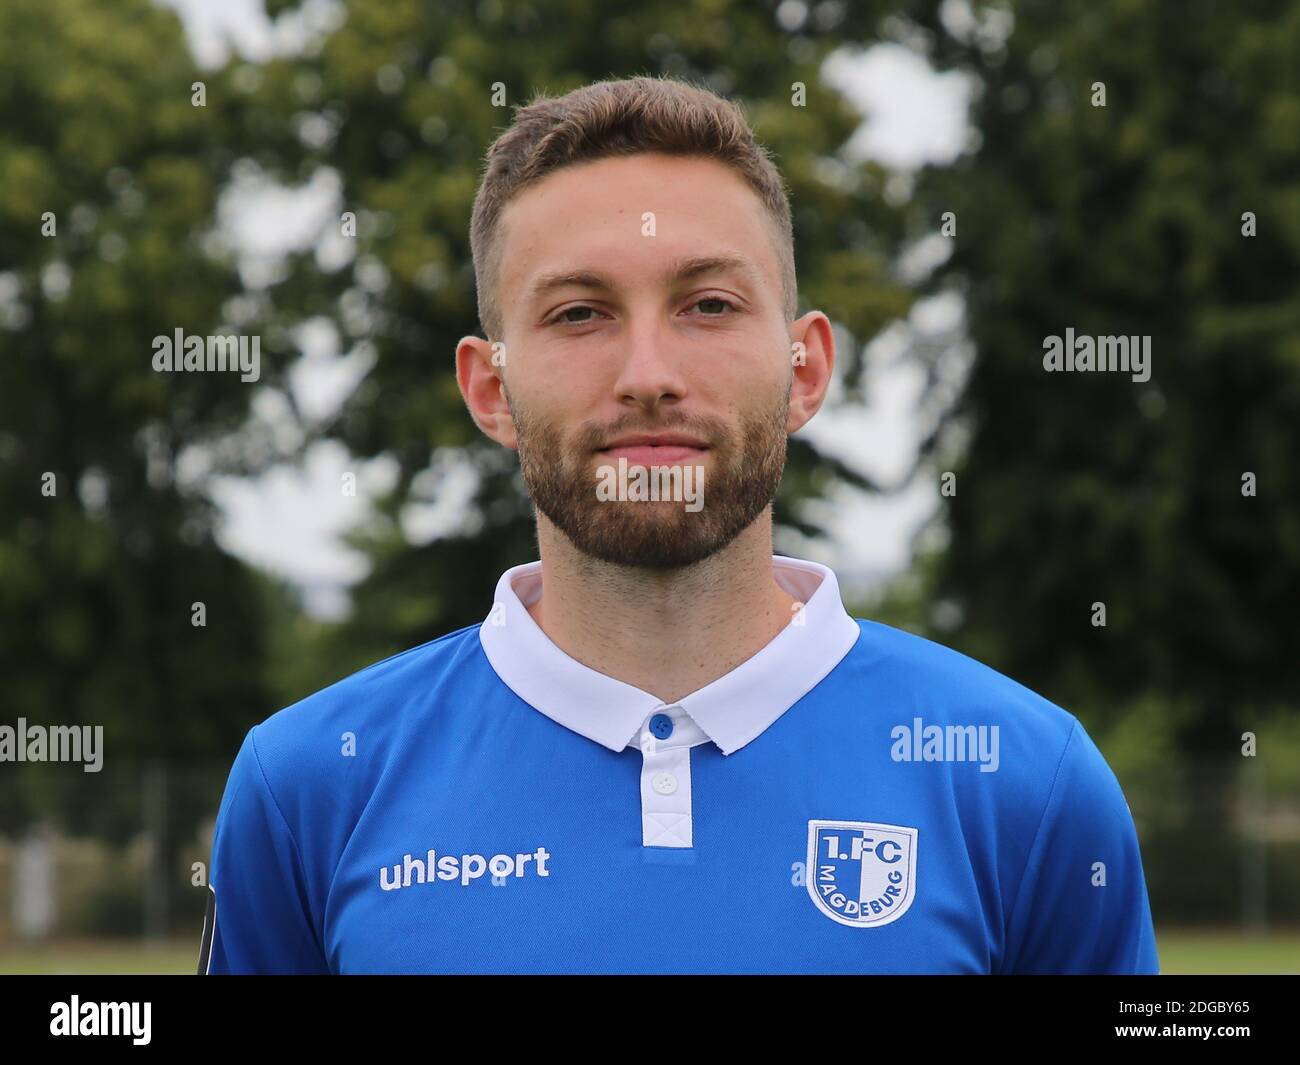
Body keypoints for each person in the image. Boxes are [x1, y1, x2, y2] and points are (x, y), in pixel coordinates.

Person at [200, 75, 1159, 974]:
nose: (648, 372)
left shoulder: (1027, 784)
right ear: (491, 390)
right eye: (580, 313)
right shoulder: (308, 789)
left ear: (806, 369)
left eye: (708, 304)